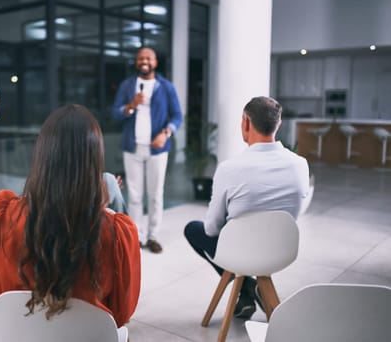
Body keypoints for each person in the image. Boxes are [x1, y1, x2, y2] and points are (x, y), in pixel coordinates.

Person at [0, 73, 141, 327]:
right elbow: (120, 314)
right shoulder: (118, 233)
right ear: (95, 160)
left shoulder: (4, 218)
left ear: (42, 157)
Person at [184, 96, 309, 320]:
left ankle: (247, 288)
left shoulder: (229, 169)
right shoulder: (300, 164)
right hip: (281, 249)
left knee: (193, 229)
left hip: (239, 251)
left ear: (245, 123)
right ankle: (247, 292)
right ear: (278, 125)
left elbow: (212, 229)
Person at [111, 47, 183, 253]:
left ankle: (152, 236)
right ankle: (136, 236)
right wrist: (131, 105)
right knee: (133, 195)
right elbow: (115, 113)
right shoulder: (127, 86)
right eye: (141, 58)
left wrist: (166, 133)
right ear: (136, 62)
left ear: (155, 62)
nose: (144, 61)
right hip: (132, 147)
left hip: (157, 149)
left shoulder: (166, 87)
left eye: (148, 58)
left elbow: (177, 115)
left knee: (155, 194)